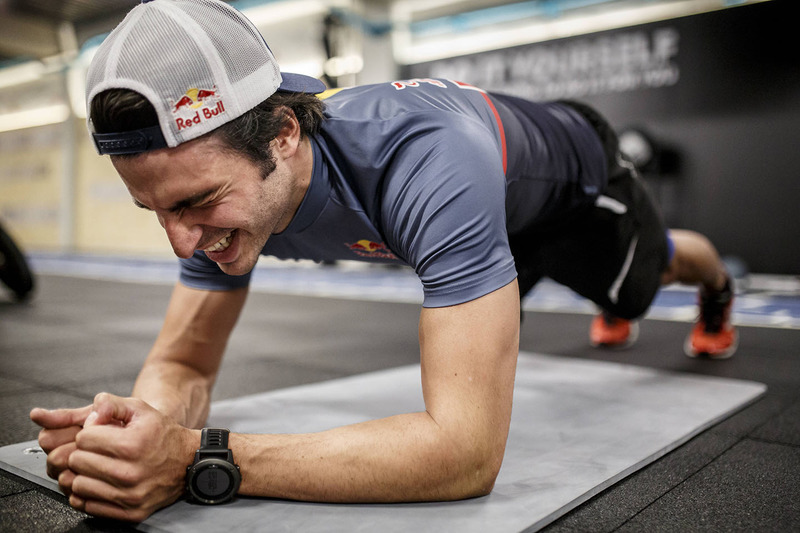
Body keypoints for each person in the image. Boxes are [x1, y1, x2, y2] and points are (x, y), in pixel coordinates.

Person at [30, 0, 736, 523]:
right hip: (480, 216)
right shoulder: (227, 198)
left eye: (198, 202)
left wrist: (194, 458)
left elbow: (465, 452)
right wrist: (139, 436)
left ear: (282, 135)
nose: (182, 242)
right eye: (156, 211)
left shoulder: (423, 162)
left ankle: (717, 288)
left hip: (576, 190)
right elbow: (184, 363)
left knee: (647, 282)